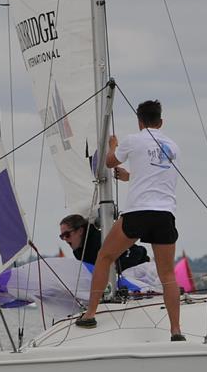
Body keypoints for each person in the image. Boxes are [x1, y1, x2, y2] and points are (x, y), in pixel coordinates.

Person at [76, 100, 184, 340]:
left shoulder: (133, 140)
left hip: (138, 212)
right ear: (161, 121)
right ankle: (176, 330)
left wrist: (113, 146)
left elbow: (109, 162)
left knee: (104, 256)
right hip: (165, 214)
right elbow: (153, 173)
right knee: (167, 274)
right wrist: (129, 177)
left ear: (139, 121)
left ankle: (90, 314)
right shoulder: (173, 147)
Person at [59, 214, 150, 272]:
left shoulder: (100, 239)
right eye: (62, 236)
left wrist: (115, 272)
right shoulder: (78, 250)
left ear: (80, 231)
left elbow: (137, 252)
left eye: (67, 235)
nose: (65, 239)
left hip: (140, 269)